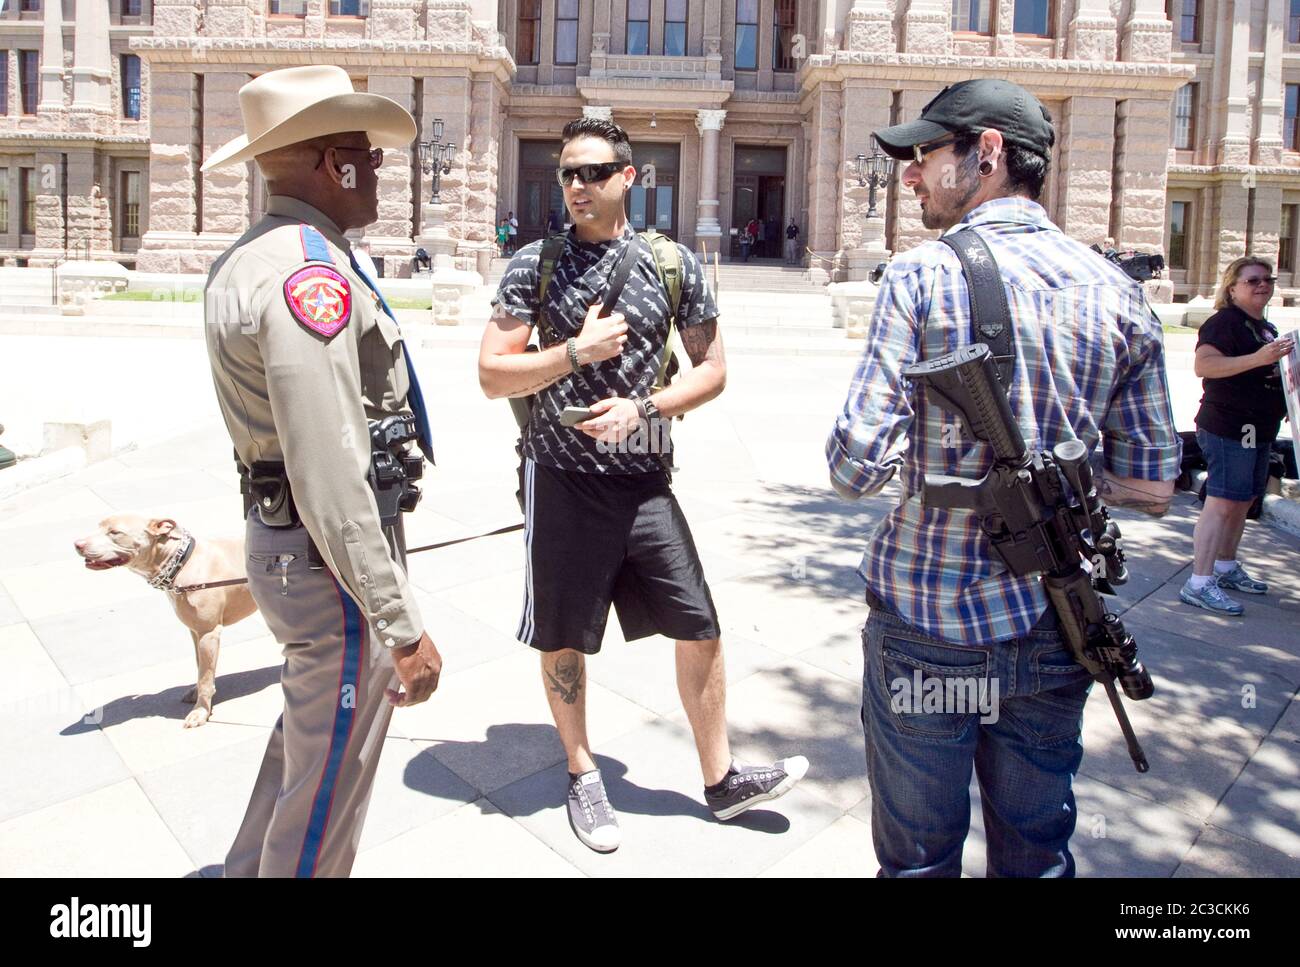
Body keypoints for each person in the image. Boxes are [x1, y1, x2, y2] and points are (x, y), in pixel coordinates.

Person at [826, 79, 1180, 877]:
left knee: (920, 862)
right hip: (1058, 629)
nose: (910, 176)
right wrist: (1059, 475)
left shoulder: (923, 276)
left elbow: (853, 466)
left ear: (986, 154)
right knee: (1035, 857)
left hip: (929, 628)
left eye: (924, 155)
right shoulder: (1119, 290)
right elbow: (1154, 484)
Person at [479, 116, 807, 854]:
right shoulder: (535, 263)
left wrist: (647, 406)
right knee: (564, 634)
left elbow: (714, 370)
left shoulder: (674, 264)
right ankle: (581, 768)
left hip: (646, 480)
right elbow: (491, 373)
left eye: (594, 172)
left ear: (630, 176)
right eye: (567, 172)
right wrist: (575, 350)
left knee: (700, 622)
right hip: (559, 478)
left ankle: (721, 780)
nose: (576, 186)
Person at [201, 65, 442, 877]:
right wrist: (399, 623)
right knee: (327, 800)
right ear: (332, 163)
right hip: (327, 562)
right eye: (365, 154)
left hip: (292, 546)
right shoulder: (308, 274)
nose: (378, 168)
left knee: (305, 761)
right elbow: (330, 464)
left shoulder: (257, 255)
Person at [1180, 256, 1294, 615]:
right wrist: (1259, 359)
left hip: (1260, 429)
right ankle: (1199, 581)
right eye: (1252, 280)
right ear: (1232, 288)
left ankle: (1226, 566)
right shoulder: (1224, 324)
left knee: (1243, 500)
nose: (1262, 285)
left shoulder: (1265, 328)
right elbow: (1205, 365)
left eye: (1267, 279)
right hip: (1230, 427)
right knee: (1222, 500)